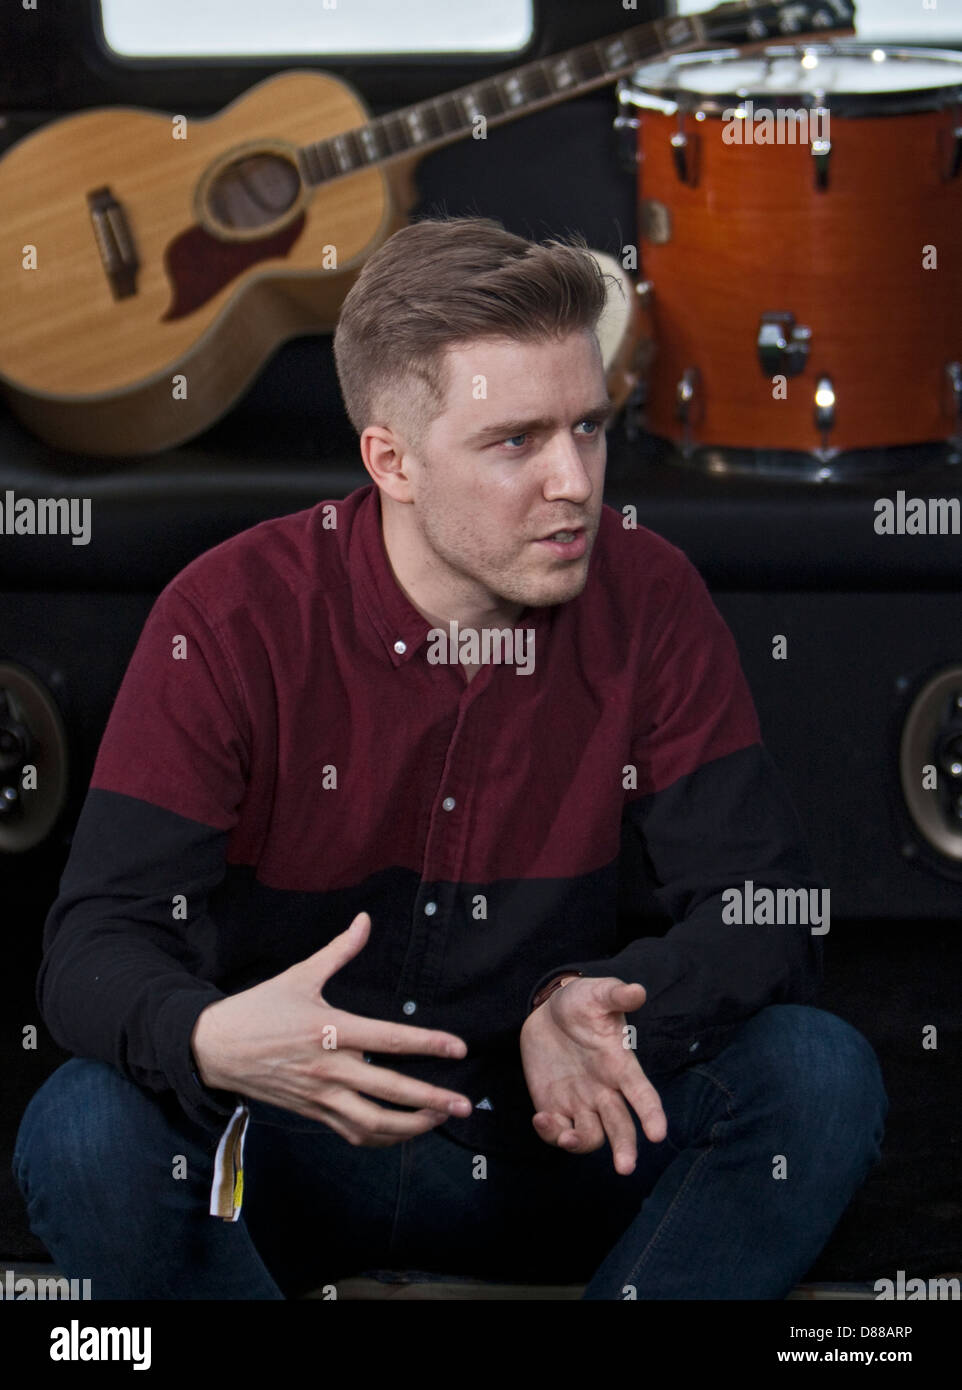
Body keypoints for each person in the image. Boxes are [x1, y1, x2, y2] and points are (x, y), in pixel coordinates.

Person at [13, 215, 887, 1300]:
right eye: (515, 440)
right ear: (392, 461)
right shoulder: (229, 614)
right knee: (84, 1128)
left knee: (814, 1074)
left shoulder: (646, 594)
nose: (574, 482)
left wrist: (607, 999)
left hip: (551, 1140)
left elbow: (767, 906)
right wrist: (207, 1036)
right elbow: (95, 943)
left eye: (587, 427)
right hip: (295, 1142)